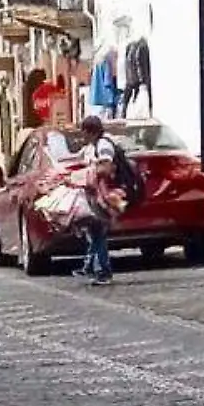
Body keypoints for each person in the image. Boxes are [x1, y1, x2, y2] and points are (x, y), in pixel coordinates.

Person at [78, 116, 118, 286]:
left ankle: (103, 271)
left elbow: (106, 168)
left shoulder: (103, 146)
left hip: (105, 196)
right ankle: (91, 267)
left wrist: (89, 173)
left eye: (84, 132)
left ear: (91, 131)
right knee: (95, 232)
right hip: (99, 195)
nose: (83, 136)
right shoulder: (95, 146)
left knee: (98, 232)